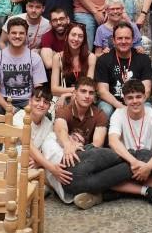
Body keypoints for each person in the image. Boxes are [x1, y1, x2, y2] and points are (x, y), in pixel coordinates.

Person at [54, 78, 140, 210]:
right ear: (75, 93)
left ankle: (101, 195)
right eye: (83, 91)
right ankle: (120, 189)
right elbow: (61, 129)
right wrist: (68, 145)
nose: (87, 96)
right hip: (68, 158)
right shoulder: (65, 110)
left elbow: (97, 144)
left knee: (103, 164)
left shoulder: (99, 114)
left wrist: (79, 149)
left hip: (90, 158)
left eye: (91, 93)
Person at [104, 79, 152, 209]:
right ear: (124, 100)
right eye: (130, 98)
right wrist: (133, 162)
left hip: (150, 162)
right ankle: (146, 191)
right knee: (105, 176)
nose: (135, 101)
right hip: (128, 163)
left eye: (138, 97)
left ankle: (126, 190)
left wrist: (148, 167)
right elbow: (113, 141)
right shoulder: (118, 114)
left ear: (144, 97)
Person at [0, 18, 48, 114]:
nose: (17, 36)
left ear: (26, 35)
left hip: (27, 100)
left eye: (21, 33)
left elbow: (38, 89)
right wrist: (9, 108)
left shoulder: (35, 58)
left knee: (44, 115)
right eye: (14, 33)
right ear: (8, 35)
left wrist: (31, 106)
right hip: (3, 99)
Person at [94, 22, 152, 118]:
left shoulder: (143, 59)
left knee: (148, 108)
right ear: (113, 40)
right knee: (105, 109)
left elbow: (147, 90)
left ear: (133, 40)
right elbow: (102, 91)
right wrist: (121, 107)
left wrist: (134, 104)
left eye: (127, 38)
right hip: (112, 102)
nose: (123, 41)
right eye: (120, 38)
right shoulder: (103, 60)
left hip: (137, 100)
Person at [49, 23, 96, 104]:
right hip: (64, 99)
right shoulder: (58, 57)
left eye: (80, 36)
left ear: (84, 40)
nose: (76, 39)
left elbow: (89, 87)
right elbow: (54, 89)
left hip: (85, 98)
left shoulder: (91, 57)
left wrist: (67, 93)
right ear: (67, 37)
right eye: (73, 35)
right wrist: (70, 93)